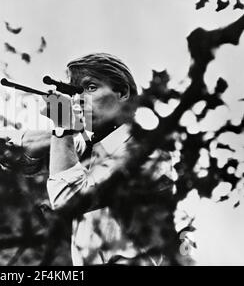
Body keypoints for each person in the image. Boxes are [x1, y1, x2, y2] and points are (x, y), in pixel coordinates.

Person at [14, 53, 175, 265]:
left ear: (123, 93)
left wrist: (63, 127)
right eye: (74, 92)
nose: (79, 100)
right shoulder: (87, 148)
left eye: (90, 87)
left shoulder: (146, 150)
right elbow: (22, 157)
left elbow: (67, 199)